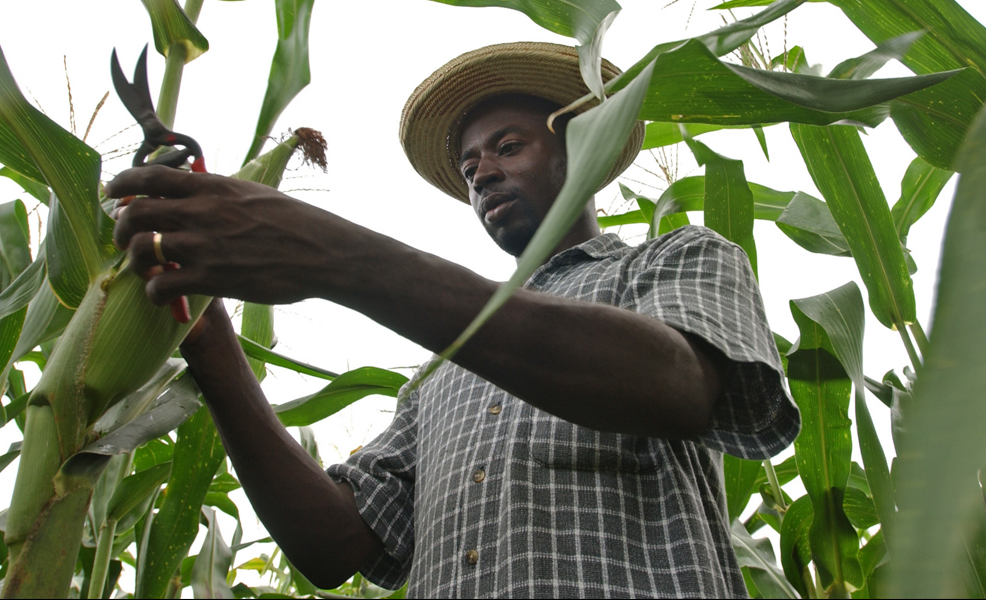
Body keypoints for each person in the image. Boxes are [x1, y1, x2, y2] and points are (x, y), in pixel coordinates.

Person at [108, 42, 800, 598]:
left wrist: (340, 258)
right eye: (470, 168)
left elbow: (678, 384)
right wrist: (209, 335)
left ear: (582, 150)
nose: (483, 174)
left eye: (507, 147)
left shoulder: (675, 260)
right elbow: (335, 546)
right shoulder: (440, 375)